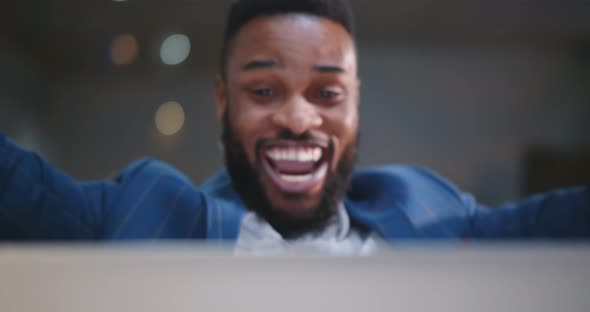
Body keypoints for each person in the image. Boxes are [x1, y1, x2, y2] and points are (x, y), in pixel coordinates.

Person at [0, 0, 588, 254]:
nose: (298, 118)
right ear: (222, 100)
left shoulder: (436, 214)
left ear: (355, 104)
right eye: (263, 91)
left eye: (327, 93)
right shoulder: (144, 210)